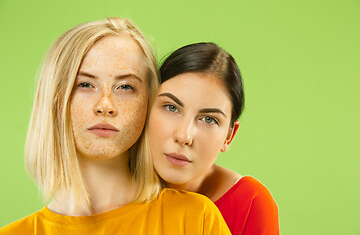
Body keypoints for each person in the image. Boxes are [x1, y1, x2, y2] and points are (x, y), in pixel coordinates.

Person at [0, 19, 231, 234]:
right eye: (85, 84)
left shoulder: (196, 219)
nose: (105, 106)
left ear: (149, 101)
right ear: (54, 98)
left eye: (125, 87)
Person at [148, 42, 280, 235]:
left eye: (209, 119)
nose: (184, 136)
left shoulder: (250, 204)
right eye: (171, 107)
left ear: (229, 135)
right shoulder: (109, 186)